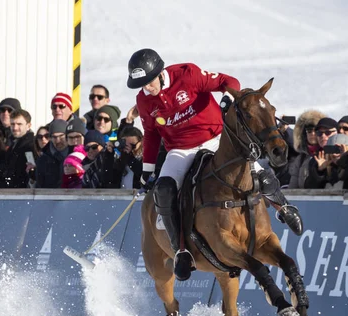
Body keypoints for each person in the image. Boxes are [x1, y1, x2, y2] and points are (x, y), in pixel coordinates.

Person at [127, 48, 303, 280]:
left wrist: (227, 98)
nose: (147, 88)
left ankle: (284, 207)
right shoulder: (144, 100)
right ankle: (181, 250)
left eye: (150, 82)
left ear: (160, 74)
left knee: (258, 172)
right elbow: (151, 134)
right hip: (180, 150)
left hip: (215, 139)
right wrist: (147, 169)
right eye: (142, 85)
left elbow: (228, 81)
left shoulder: (187, 74)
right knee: (164, 190)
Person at [288, 110, 326, 189]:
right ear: (304, 134)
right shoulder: (300, 159)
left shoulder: (329, 155)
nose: (312, 134)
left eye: (316, 130)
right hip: (303, 200)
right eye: (309, 130)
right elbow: (292, 187)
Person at [34, 119, 71, 188]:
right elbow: (39, 187)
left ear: (67, 135)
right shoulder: (43, 160)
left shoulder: (75, 155)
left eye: (61, 136)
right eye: (54, 137)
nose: (58, 140)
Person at [4, 109, 35, 188]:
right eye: (12, 124)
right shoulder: (13, 144)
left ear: (28, 126)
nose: (15, 128)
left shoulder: (32, 146)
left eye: (19, 124)